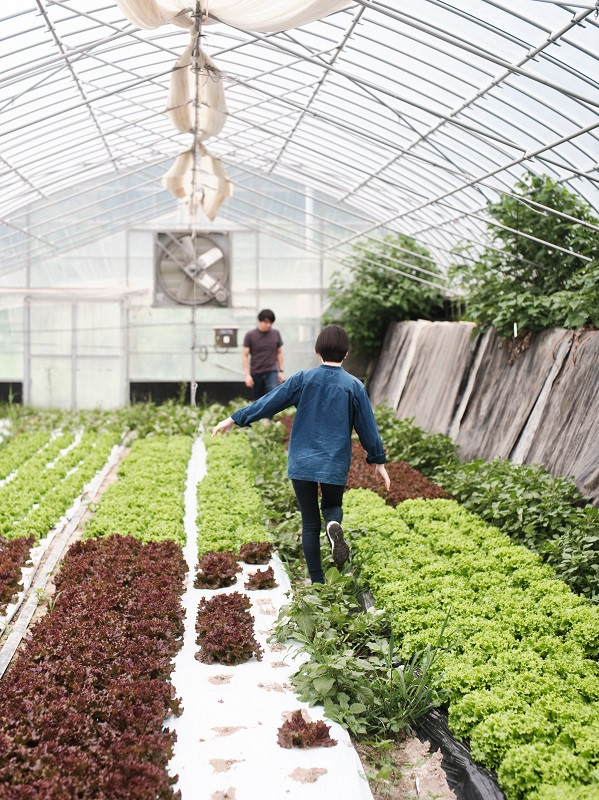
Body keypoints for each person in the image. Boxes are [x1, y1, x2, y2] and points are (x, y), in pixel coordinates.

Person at [213, 324, 390, 584]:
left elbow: (270, 402)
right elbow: (367, 428)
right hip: (334, 461)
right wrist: (378, 461)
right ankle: (333, 525)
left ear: (318, 351)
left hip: (302, 460)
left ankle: (317, 582)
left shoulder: (303, 379)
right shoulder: (354, 386)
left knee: (309, 522)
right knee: (332, 506)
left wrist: (235, 418)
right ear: (346, 353)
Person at [242, 309, 284, 401]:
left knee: (274, 395)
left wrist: (281, 371)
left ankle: (270, 412)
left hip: (271, 371)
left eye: (271, 323)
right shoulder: (250, 335)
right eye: (266, 322)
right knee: (258, 400)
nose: (269, 325)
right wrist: (247, 375)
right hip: (256, 372)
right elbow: (245, 356)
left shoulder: (276, 333)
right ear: (259, 321)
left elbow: (279, 352)